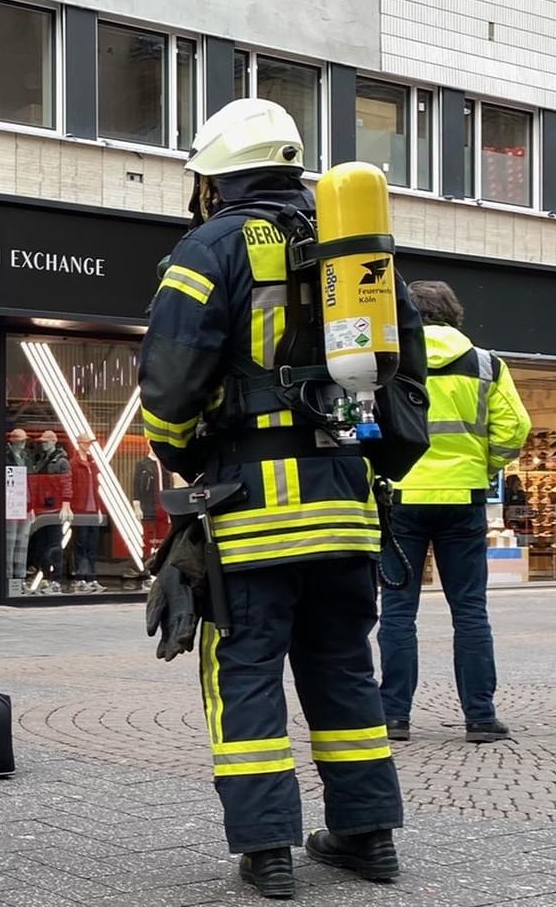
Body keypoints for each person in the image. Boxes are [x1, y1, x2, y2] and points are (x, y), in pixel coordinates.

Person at [139, 99, 426, 899]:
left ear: (216, 177)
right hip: (345, 504)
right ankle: (367, 837)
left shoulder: (208, 247)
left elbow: (168, 389)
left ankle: (266, 849)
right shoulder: (355, 247)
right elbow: (404, 382)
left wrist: (182, 452)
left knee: (244, 672)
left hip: (249, 508)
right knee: (342, 670)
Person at [378, 280, 530, 744]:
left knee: (398, 611)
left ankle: (394, 717)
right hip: (462, 499)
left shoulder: (390, 360)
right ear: (453, 314)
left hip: (403, 498)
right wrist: (483, 463)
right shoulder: (486, 363)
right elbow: (515, 429)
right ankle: (481, 718)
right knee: (469, 610)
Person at [28, 430, 73, 593]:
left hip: (54, 509)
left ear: (54, 441)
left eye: (46, 441)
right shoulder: (40, 460)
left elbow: (66, 483)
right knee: (41, 545)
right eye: (42, 442)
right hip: (41, 509)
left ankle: (56, 579)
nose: (43, 444)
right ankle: (46, 576)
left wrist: (65, 504)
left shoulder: (61, 462)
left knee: (54, 545)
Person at [69, 446, 106, 593]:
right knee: (80, 545)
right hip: (80, 509)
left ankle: (91, 578)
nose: (88, 446)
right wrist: (71, 506)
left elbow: (96, 487)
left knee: (92, 546)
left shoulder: (92, 464)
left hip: (92, 510)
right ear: (79, 444)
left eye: (89, 443)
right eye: (86, 442)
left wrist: (98, 510)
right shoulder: (73, 464)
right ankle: (80, 578)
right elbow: (71, 486)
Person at [5, 427, 37, 589]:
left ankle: (20, 578)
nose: (23, 444)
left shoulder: (25, 457)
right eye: (20, 441)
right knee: (9, 543)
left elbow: (30, 483)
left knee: (22, 543)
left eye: (24, 441)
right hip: (10, 504)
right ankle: (9, 578)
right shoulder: (4, 457)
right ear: (13, 441)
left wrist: (31, 506)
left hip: (24, 504)